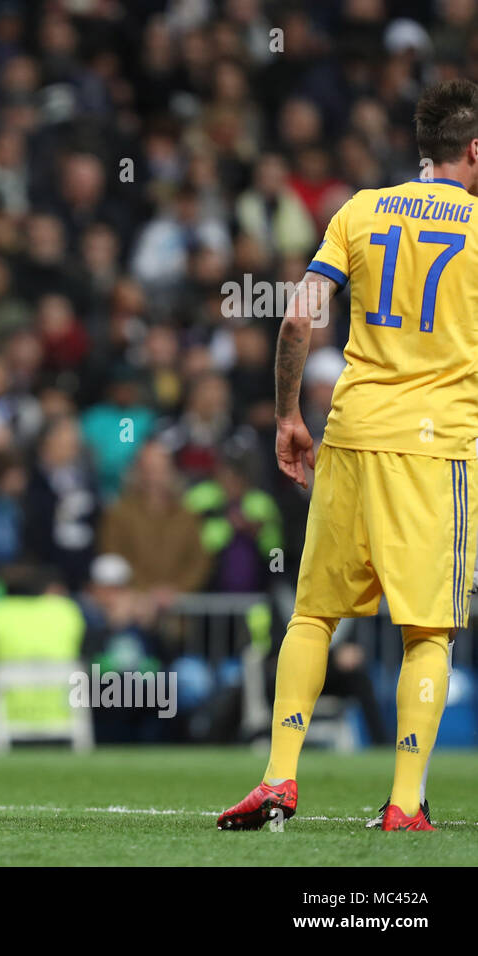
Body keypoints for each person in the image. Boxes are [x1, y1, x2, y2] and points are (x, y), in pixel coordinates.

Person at [218, 78, 478, 833]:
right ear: (472, 150)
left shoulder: (360, 209)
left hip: (351, 430)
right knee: (428, 631)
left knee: (313, 614)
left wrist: (288, 416)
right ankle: (403, 803)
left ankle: (278, 779)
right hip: (438, 447)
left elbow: (299, 317)